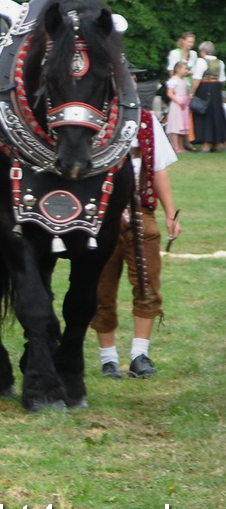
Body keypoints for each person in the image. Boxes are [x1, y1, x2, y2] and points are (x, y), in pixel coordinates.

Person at [94, 110, 181, 378]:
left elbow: (158, 169)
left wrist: (170, 214)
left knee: (148, 284)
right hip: (100, 214)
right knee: (101, 288)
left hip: (141, 212)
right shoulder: (89, 115)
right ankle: (108, 359)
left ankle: (139, 355)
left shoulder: (145, 120)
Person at [192, 41, 226, 152]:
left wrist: (192, 93)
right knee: (217, 114)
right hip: (216, 89)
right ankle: (218, 143)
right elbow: (222, 79)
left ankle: (206, 144)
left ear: (203, 51)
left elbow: (197, 79)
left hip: (204, 88)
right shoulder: (220, 62)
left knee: (204, 115)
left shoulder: (201, 61)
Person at [165, 61, 192, 155]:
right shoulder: (174, 80)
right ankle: (175, 146)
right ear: (178, 69)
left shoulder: (185, 81)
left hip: (184, 104)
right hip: (177, 104)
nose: (186, 71)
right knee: (176, 125)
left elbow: (187, 92)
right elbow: (170, 93)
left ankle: (181, 146)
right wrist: (178, 101)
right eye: (184, 69)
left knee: (182, 125)